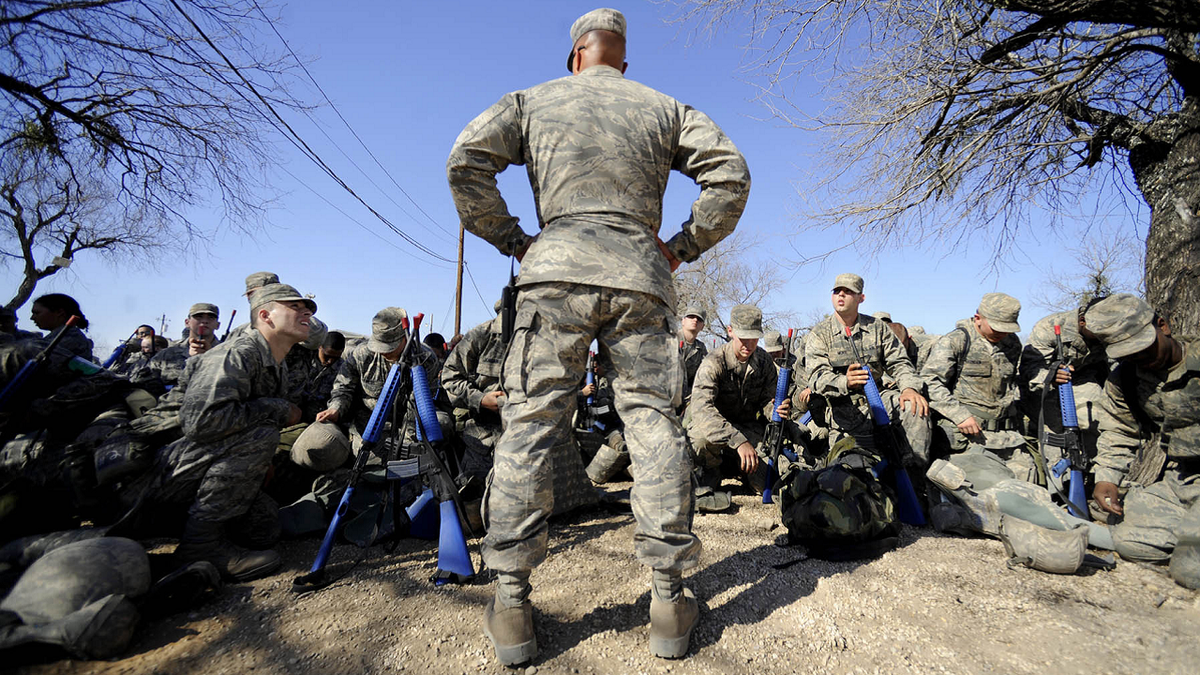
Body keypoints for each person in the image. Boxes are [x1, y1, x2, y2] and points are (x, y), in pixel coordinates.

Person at [446, 7, 750, 664]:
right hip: (641, 276)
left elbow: (465, 160)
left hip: (554, 272)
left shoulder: (534, 100)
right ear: (622, 59)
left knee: (528, 427)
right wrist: (681, 246)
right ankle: (669, 598)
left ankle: (513, 604)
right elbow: (731, 173)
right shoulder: (664, 106)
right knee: (652, 424)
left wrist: (514, 240)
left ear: (576, 56)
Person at [119, 284, 315, 582]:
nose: (307, 313)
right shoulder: (235, 355)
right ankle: (200, 546)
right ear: (265, 315)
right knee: (262, 432)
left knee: (264, 530)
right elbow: (202, 422)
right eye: (295, 308)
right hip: (150, 474)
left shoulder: (275, 361)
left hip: (188, 466)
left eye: (309, 309)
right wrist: (276, 408)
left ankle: (191, 527)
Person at [1087, 294, 1199, 589]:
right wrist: (1107, 478)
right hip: (1182, 480)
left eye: (1143, 347)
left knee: (1190, 570)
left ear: (1163, 326)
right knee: (1130, 543)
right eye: (1128, 354)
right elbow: (1118, 430)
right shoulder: (1124, 379)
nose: (1140, 358)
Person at [804, 274, 931, 466]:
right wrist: (844, 382)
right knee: (848, 471)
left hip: (880, 400)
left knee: (915, 408)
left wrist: (909, 388)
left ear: (860, 298)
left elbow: (900, 363)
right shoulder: (820, 333)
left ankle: (914, 480)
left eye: (848, 292)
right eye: (837, 291)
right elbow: (816, 377)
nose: (841, 295)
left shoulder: (878, 328)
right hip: (842, 412)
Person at [687, 305, 800, 506]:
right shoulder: (713, 362)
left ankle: (738, 468)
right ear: (730, 331)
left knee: (766, 482)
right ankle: (712, 471)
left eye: (754, 338)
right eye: (743, 338)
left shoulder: (764, 360)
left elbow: (767, 400)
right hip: (715, 429)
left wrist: (775, 409)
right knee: (700, 441)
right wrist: (738, 441)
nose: (748, 344)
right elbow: (702, 410)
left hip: (748, 428)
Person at [921, 293, 1027, 480]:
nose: (1002, 334)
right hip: (968, 437)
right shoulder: (957, 340)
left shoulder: (1012, 344)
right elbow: (930, 381)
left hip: (1007, 439)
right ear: (978, 318)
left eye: (1007, 329)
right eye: (997, 328)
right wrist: (960, 416)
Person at [1019, 297, 1110, 487]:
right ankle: (1059, 488)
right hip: (1044, 387)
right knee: (1054, 434)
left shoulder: (1111, 328)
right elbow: (1029, 369)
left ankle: (1095, 477)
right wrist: (1050, 376)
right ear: (1083, 321)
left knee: (1097, 421)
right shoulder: (1048, 328)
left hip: (1084, 381)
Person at [131, 328, 216, 396]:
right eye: (199, 317)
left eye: (210, 317)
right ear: (188, 322)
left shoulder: (222, 353)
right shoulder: (165, 355)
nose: (204, 321)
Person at [677, 305, 708, 411]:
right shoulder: (667, 340)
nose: (695, 320)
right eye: (691, 317)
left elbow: (703, 378)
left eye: (699, 319)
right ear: (683, 321)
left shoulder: (701, 349)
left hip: (687, 402)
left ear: (702, 326)